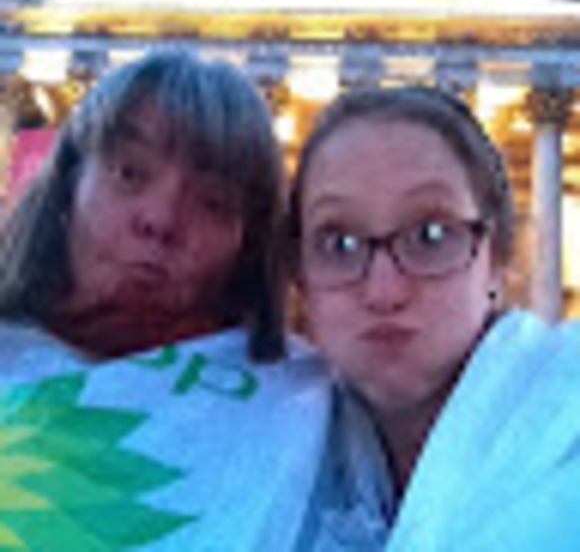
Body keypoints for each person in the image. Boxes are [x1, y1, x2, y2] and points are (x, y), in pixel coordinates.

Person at [0, 48, 350, 551]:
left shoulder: (305, 410)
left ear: (248, 248)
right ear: (68, 180)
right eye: (129, 173)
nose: (161, 219)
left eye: (213, 201)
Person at [287, 85, 580, 551]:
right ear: (299, 276)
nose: (383, 292)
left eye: (431, 235)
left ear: (497, 257)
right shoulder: (266, 461)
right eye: (340, 243)